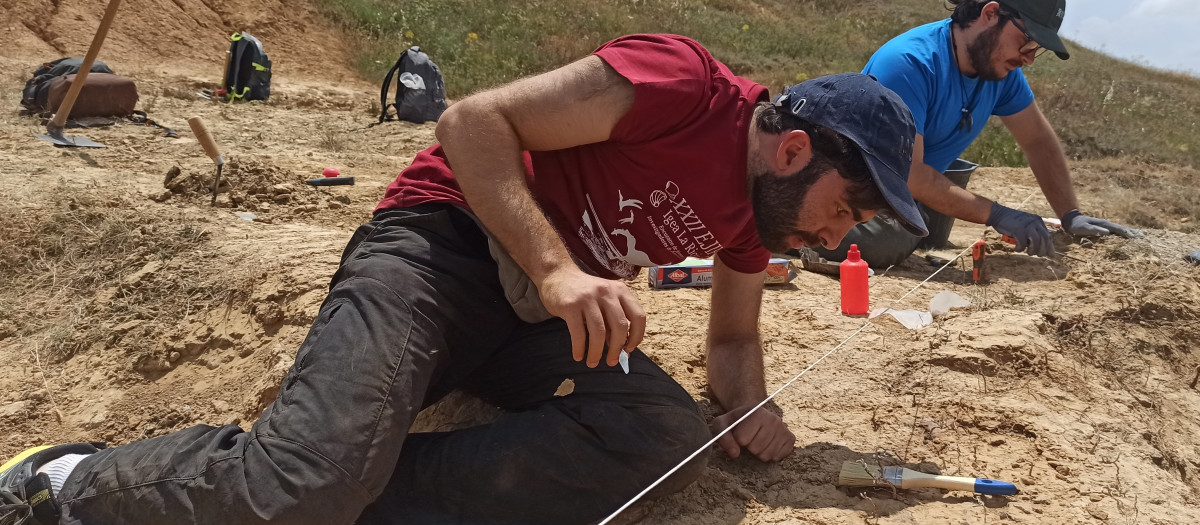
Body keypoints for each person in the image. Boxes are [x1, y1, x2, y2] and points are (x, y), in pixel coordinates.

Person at [0, 34, 926, 525]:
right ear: (795, 149)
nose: (834, 237)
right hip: (440, 249)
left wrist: (746, 412)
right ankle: (72, 482)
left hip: (532, 319)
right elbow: (473, 123)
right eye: (845, 208)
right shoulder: (681, 84)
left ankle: (349, 492)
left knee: (659, 433)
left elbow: (730, 340)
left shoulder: (753, 216)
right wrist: (561, 270)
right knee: (296, 489)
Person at [813, 0, 1139, 268]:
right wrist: (997, 214)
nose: (1028, 57)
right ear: (990, 13)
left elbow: (1037, 140)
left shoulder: (1000, 71)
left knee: (924, 225)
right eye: (1027, 41)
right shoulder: (909, 64)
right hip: (847, 188)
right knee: (889, 241)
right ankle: (801, 235)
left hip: (900, 196)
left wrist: (1070, 215)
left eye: (1037, 48)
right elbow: (911, 176)